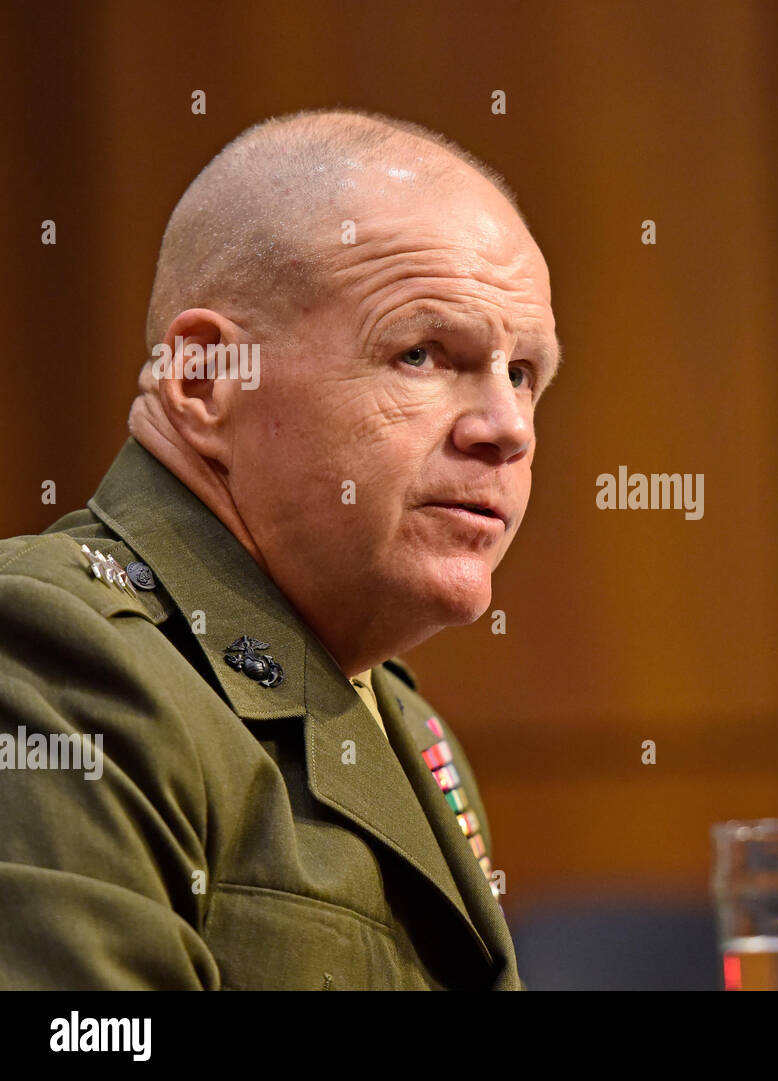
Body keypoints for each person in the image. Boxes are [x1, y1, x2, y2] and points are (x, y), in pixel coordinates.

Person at [0, 108, 561, 990]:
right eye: (420, 353)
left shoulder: (409, 723)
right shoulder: (53, 655)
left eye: (523, 373)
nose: (506, 430)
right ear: (204, 381)